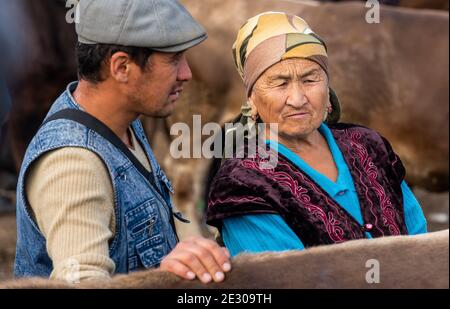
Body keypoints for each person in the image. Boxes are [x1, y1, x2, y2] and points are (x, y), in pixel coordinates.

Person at [15, 0, 231, 284]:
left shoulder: (120, 120)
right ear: (121, 67)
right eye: (173, 59)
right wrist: (159, 280)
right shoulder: (72, 163)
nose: (186, 74)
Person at [207, 12, 427, 256]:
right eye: (280, 83)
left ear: (327, 86)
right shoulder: (242, 184)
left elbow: (419, 243)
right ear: (253, 100)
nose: (298, 99)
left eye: (310, 80)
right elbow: (285, 279)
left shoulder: (367, 145)